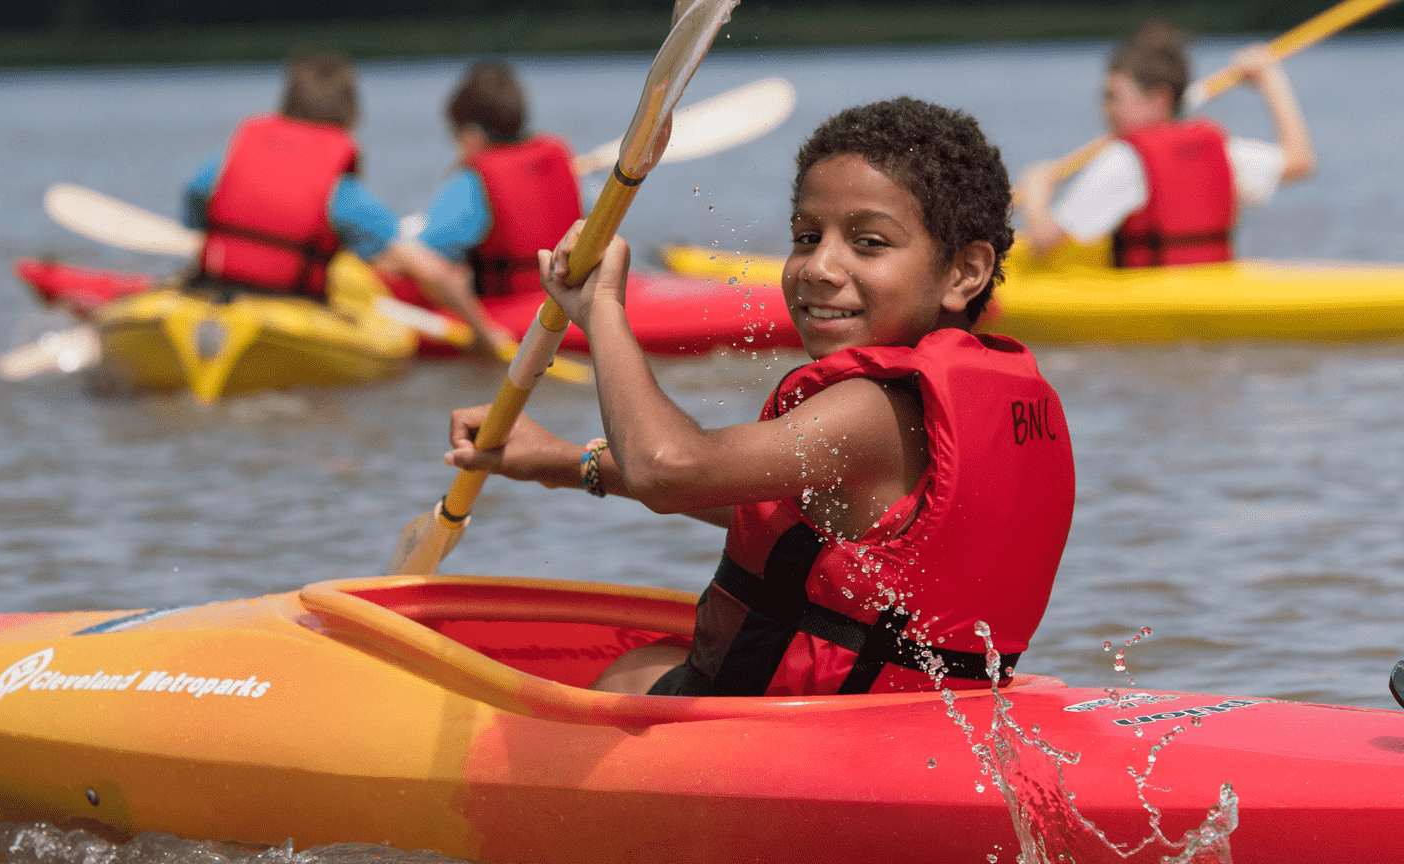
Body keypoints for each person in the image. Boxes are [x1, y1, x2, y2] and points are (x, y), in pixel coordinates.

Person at [445, 98, 1077, 697]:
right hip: (916, 724)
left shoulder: (871, 410)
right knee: (650, 662)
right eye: (806, 236)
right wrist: (558, 461)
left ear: (965, 272)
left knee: (633, 677)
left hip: (800, 742)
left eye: (869, 243)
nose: (819, 267)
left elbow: (671, 469)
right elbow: (773, 518)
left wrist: (602, 311)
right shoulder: (982, 401)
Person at [182, 50, 510, 352]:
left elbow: (195, 205)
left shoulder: (229, 160)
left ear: (286, 104)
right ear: (350, 118)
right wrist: (483, 332)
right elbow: (425, 268)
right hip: (290, 305)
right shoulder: (340, 192)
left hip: (211, 293)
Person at [1018, 19, 1315, 267]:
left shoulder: (1123, 160)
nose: (1105, 110)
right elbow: (1300, 160)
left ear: (1158, 99)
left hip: (1151, 307)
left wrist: (1036, 194)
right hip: (1213, 300)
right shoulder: (1218, 149)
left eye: (1113, 98)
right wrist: (1270, 78)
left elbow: (1043, 242)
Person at [405, 59, 583, 300]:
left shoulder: (471, 184)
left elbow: (421, 254)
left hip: (509, 307)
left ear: (471, 136)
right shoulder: (557, 161)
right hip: (564, 298)